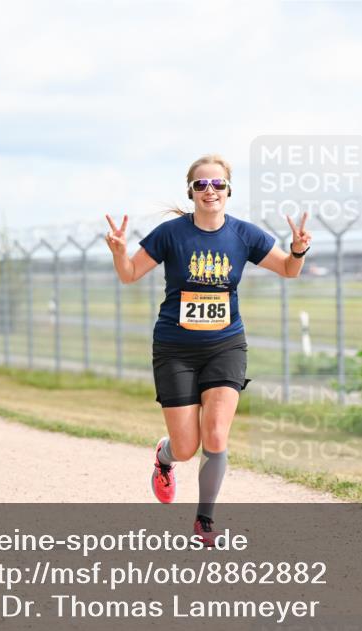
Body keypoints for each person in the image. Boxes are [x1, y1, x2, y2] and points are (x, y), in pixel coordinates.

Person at [104, 154, 311, 546]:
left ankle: (204, 521)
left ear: (228, 191)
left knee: (215, 436)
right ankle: (164, 458)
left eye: (217, 185)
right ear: (191, 191)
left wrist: (297, 250)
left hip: (225, 345)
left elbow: (288, 269)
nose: (210, 191)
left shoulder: (244, 235)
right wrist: (119, 251)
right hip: (175, 349)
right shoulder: (170, 234)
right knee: (186, 448)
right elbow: (129, 275)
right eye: (202, 185)